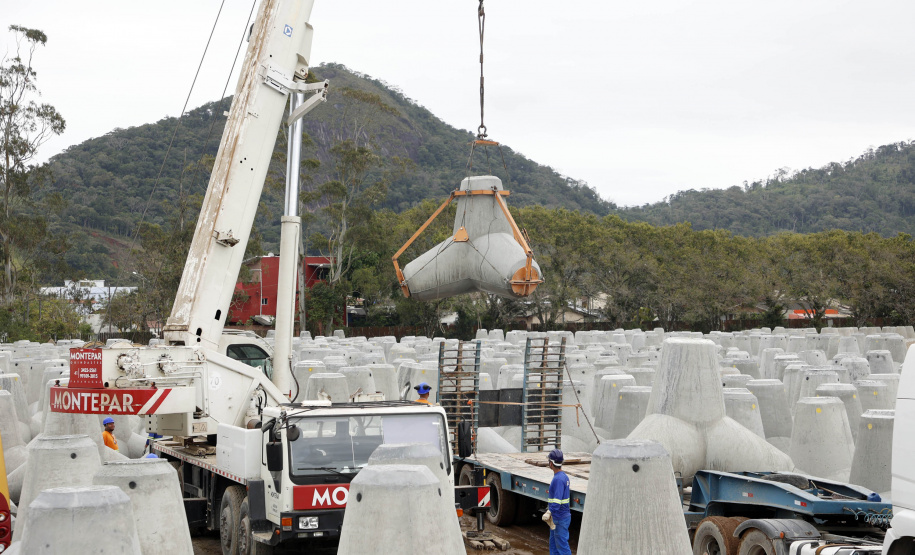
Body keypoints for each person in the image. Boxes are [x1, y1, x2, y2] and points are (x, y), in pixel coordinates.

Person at [543, 449, 571, 555]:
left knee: (562, 547)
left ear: (551, 463)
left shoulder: (558, 479)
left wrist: (549, 511)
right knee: (554, 546)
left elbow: (557, 500)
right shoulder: (563, 476)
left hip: (560, 518)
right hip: (557, 518)